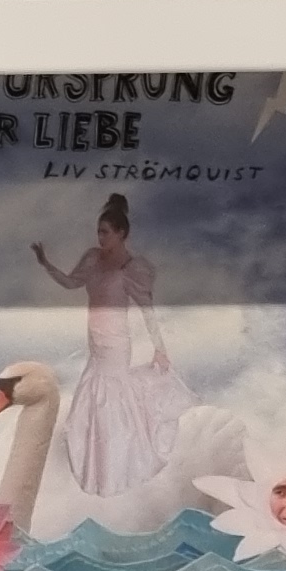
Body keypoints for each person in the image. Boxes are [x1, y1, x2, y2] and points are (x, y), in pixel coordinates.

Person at [32, 192, 185, 492]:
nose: (100, 237)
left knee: (111, 402)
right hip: (95, 340)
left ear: (121, 233)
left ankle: (120, 466)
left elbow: (147, 309)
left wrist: (160, 348)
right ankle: (100, 467)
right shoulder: (92, 258)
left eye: (105, 232)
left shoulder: (132, 268)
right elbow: (71, 283)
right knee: (93, 404)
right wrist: (45, 263)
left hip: (116, 343)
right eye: (98, 232)